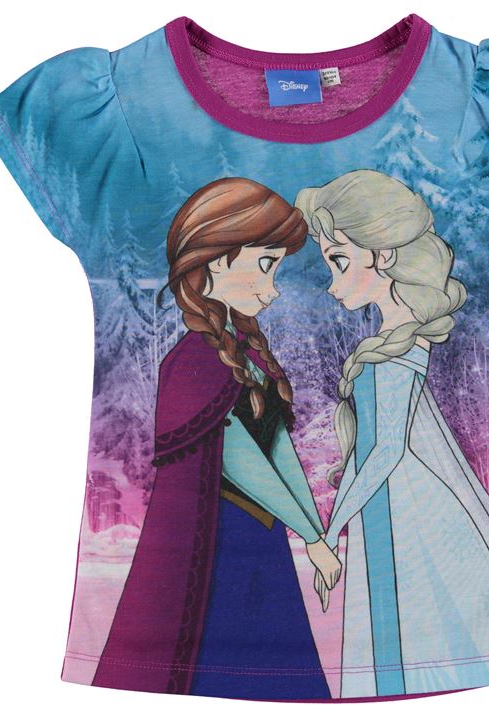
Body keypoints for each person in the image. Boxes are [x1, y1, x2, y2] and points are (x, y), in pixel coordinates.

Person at [295, 169, 489, 698]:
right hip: (394, 505)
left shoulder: (394, 352)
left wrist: (331, 530)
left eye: (339, 260)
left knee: (414, 620)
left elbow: (385, 450)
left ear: (382, 256)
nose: (331, 281)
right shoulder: (392, 341)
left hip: (407, 511)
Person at [92, 177, 341, 699]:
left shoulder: (248, 352)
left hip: (262, 537)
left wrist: (314, 534)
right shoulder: (193, 361)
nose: (273, 287)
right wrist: (312, 536)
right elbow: (238, 458)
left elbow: (277, 447)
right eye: (266, 264)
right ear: (217, 261)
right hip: (212, 551)